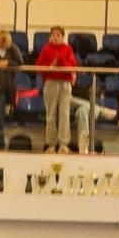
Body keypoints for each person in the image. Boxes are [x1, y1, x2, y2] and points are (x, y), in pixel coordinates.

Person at [32, 25, 77, 153]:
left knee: (64, 114)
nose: (55, 37)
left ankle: (63, 144)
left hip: (65, 83)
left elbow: (72, 67)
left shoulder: (67, 49)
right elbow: (39, 67)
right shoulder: (46, 49)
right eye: (53, 35)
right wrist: (50, 65)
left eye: (58, 35)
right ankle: (51, 143)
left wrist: (61, 60)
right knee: (51, 114)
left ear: (63, 36)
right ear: (50, 36)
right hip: (51, 83)